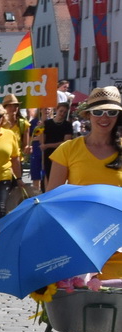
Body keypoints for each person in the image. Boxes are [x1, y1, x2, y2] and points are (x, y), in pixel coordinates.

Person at [44, 86, 122, 283]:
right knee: (80, 305)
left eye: (111, 112)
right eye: (98, 112)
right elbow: (53, 199)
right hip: (81, 239)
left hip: (118, 241)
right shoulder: (69, 149)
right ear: (88, 114)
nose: (105, 117)